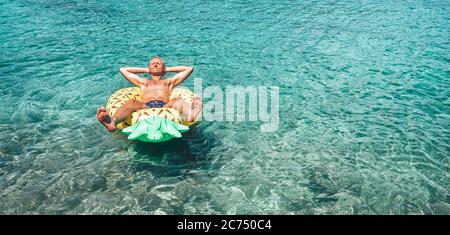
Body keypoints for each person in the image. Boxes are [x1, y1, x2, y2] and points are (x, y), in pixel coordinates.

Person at [96, 56, 202, 132]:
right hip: (146, 106)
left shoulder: (169, 82)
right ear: (149, 68)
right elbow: (123, 70)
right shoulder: (143, 82)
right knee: (131, 102)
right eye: (153, 63)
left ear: (164, 67)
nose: (155, 64)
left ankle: (190, 115)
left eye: (158, 63)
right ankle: (112, 122)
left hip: (165, 105)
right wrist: (147, 70)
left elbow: (189, 69)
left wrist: (167, 69)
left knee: (177, 100)